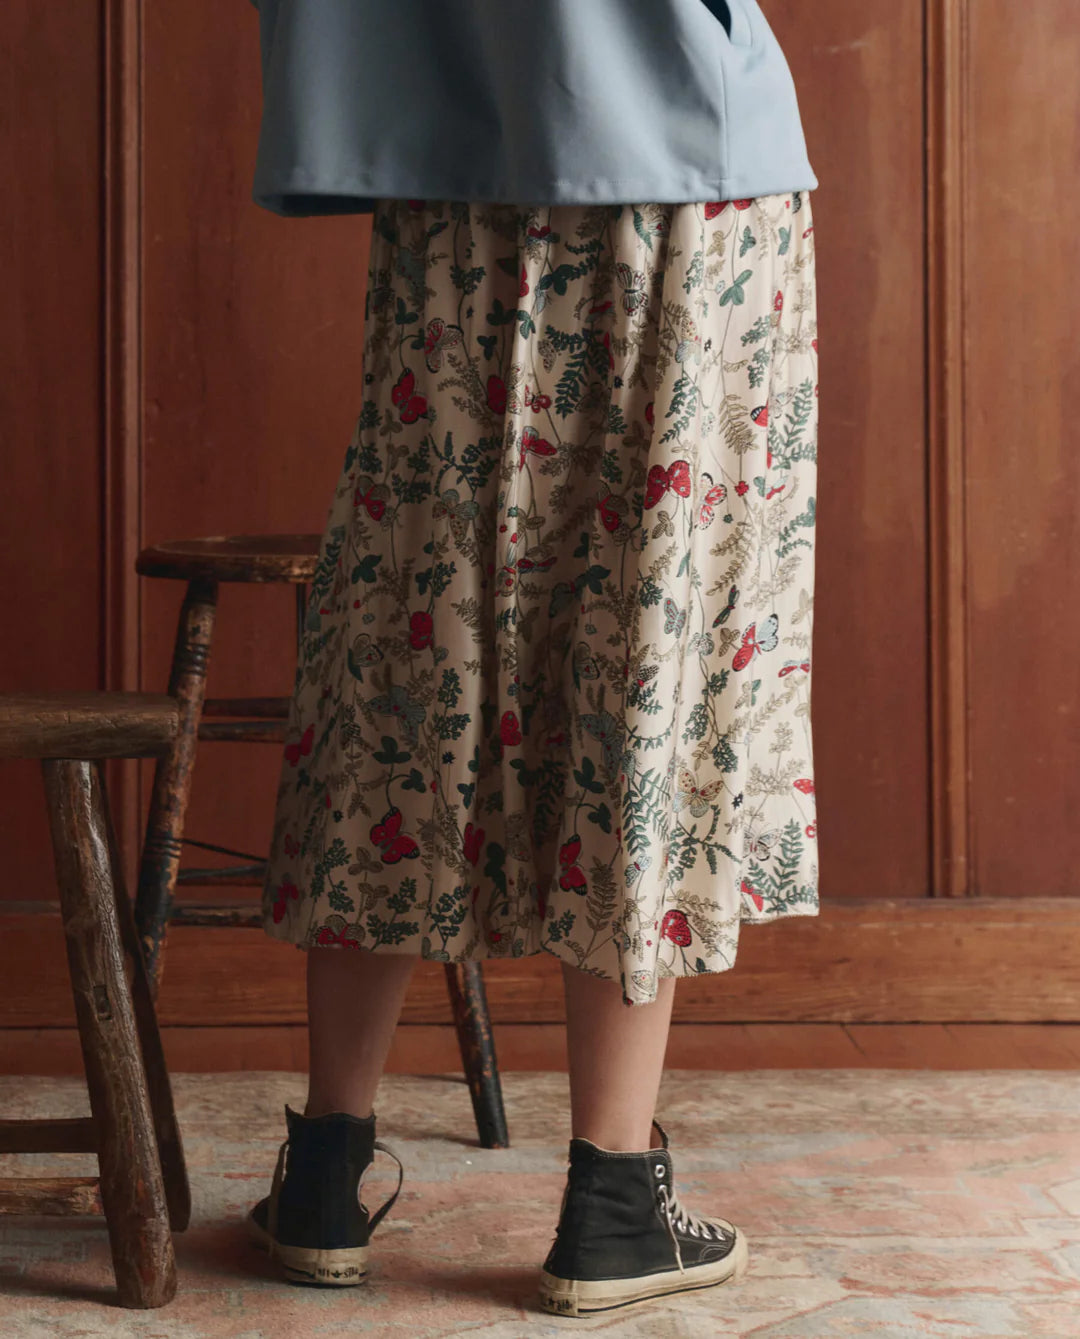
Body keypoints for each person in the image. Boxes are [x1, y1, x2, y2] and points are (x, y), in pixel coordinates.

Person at [243, 0, 820, 1317]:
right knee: (652, 646)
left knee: (413, 642)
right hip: (682, 172)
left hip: (445, 148)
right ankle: (614, 1200)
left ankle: (328, 1171)